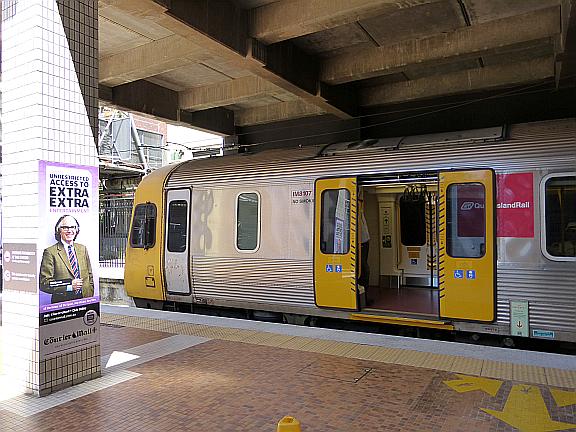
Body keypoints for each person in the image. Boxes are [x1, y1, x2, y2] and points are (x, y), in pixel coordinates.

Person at [39, 215, 94, 303]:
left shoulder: (82, 249)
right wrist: (69, 287)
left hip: (84, 300)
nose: (69, 230)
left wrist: (90, 294)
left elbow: (89, 275)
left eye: (72, 227)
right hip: (63, 304)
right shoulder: (50, 252)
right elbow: (44, 283)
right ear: (59, 230)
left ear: (76, 230)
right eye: (65, 227)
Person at [358, 210, 370, 288]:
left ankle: (363, 291)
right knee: (364, 268)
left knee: (363, 267)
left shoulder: (359, 210)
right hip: (363, 241)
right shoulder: (359, 209)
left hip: (363, 241)